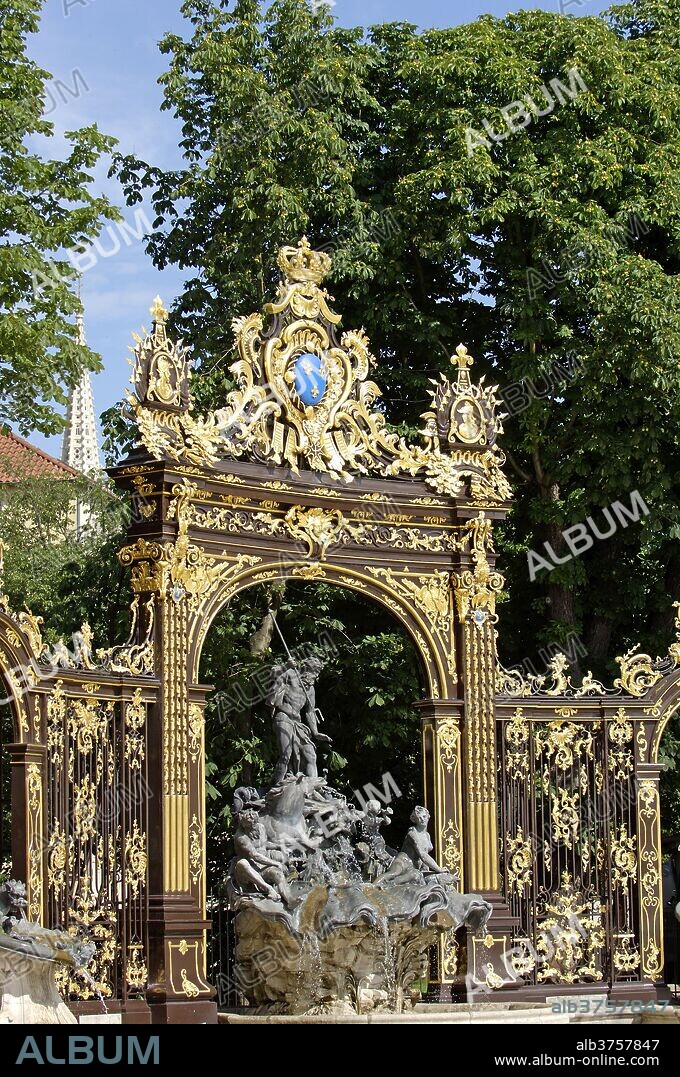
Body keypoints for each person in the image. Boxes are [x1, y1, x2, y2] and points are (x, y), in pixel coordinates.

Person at [268, 657, 331, 784]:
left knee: (311, 755)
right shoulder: (290, 674)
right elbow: (272, 673)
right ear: (306, 668)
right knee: (286, 755)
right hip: (284, 717)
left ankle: (313, 788)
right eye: (314, 671)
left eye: (317, 673)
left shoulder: (310, 690)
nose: (315, 675)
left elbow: (309, 711)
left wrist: (316, 733)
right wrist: (286, 666)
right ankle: (274, 789)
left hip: (297, 723)